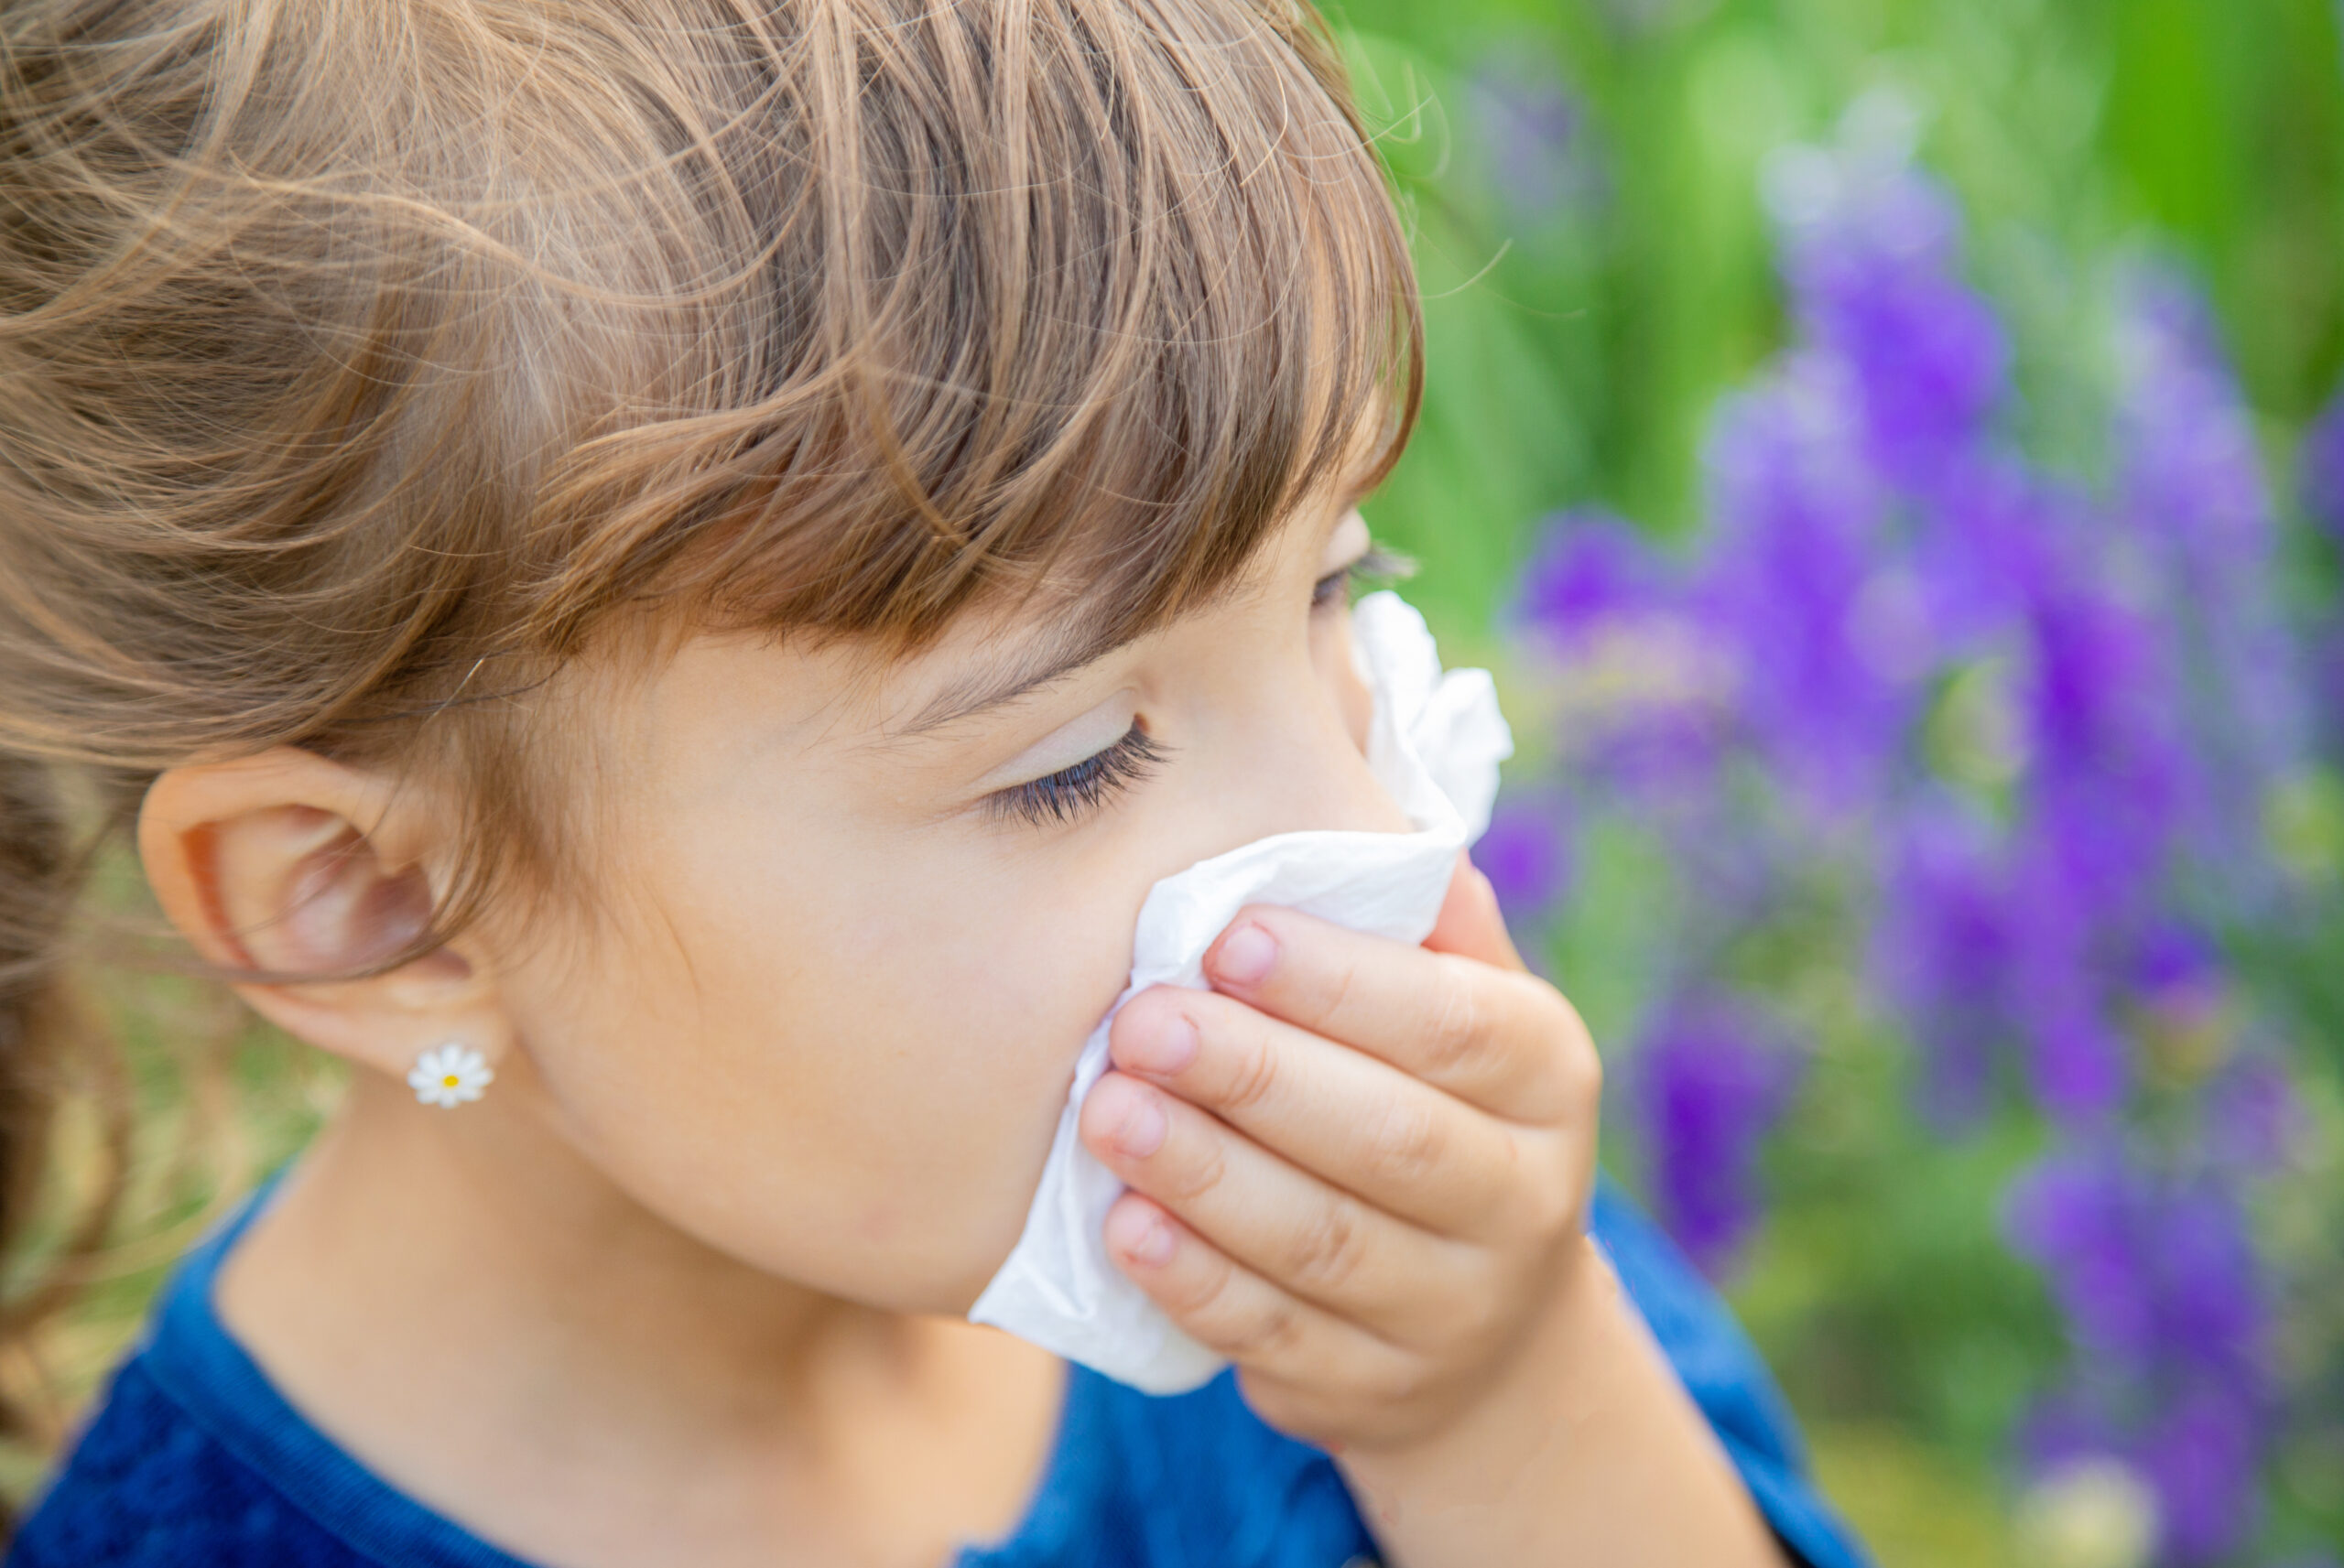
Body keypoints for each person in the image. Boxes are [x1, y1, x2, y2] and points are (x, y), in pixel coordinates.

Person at [0, 3, 1869, 1564]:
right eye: (1073, 765)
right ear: (378, 905)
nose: (1363, 838)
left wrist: (1502, 1398)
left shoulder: (1347, 1243)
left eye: (1333, 587)